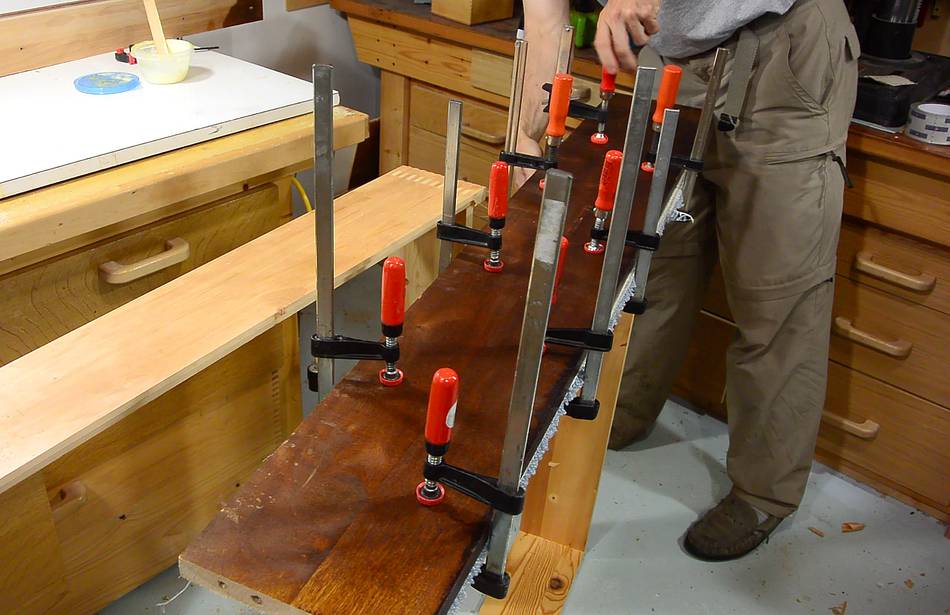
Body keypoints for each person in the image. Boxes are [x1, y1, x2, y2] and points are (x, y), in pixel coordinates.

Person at [518, 0, 859, 560]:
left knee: (776, 296)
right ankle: (624, 413)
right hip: (670, 56)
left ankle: (764, 492)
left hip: (784, 51)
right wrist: (530, 133)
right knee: (655, 262)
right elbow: (545, 17)